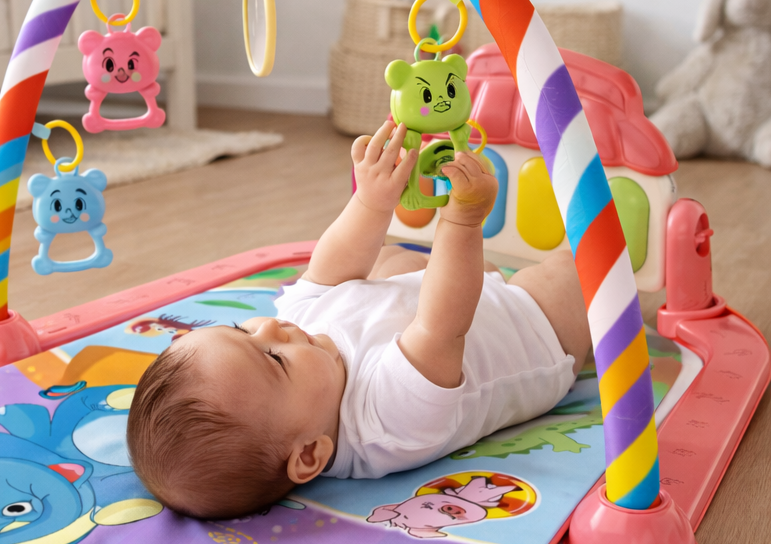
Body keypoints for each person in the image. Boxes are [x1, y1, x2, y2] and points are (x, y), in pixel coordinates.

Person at [126, 119, 591, 519]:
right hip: (532, 330)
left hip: (437, 293)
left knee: (384, 262)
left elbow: (330, 269)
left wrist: (372, 201)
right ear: (310, 453)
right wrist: (462, 222)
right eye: (274, 360)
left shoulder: (299, 340)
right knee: (575, 270)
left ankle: (469, 268)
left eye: (240, 330)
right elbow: (443, 322)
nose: (267, 327)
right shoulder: (387, 421)